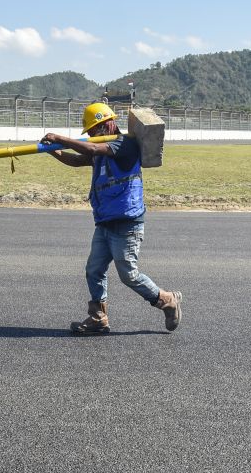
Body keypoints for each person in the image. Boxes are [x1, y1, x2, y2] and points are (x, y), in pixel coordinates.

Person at [41, 102, 182, 335]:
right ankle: (98, 317)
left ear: (108, 124)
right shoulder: (101, 150)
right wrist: (53, 150)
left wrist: (59, 137)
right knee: (94, 269)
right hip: (105, 222)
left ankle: (167, 300)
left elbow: (93, 150)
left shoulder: (124, 144)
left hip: (127, 223)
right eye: (91, 132)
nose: (94, 135)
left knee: (129, 275)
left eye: (96, 129)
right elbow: (78, 159)